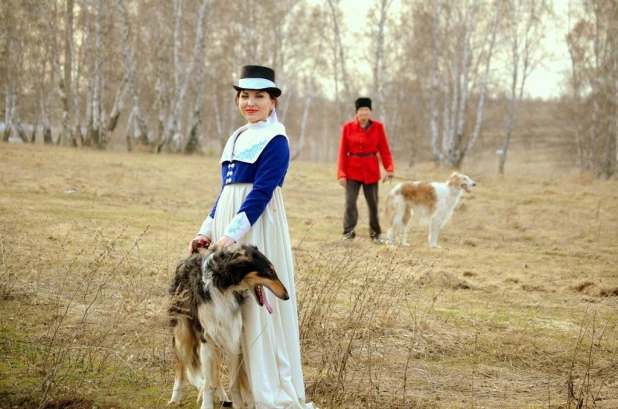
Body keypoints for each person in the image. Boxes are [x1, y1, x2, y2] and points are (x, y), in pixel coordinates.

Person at [189, 65, 315, 409]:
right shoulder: (236, 136)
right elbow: (225, 192)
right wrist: (206, 231)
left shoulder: (276, 140)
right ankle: (234, 388)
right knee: (227, 308)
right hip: (230, 225)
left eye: (259, 96)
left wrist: (231, 236)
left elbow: (260, 193)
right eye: (245, 96)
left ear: (273, 102)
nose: (251, 102)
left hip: (256, 227)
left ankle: (263, 390)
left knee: (256, 311)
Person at [337, 97, 395, 243]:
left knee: (373, 204)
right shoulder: (348, 127)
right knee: (350, 203)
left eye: (366, 110)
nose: (364, 113)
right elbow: (342, 152)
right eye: (361, 110)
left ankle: (375, 234)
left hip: (371, 170)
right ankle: (349, 233)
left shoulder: (378, 127)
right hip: (352, 170)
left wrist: (389, 168)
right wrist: (341, 174)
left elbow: (385, 150)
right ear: (357, 112)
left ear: (370, 112)